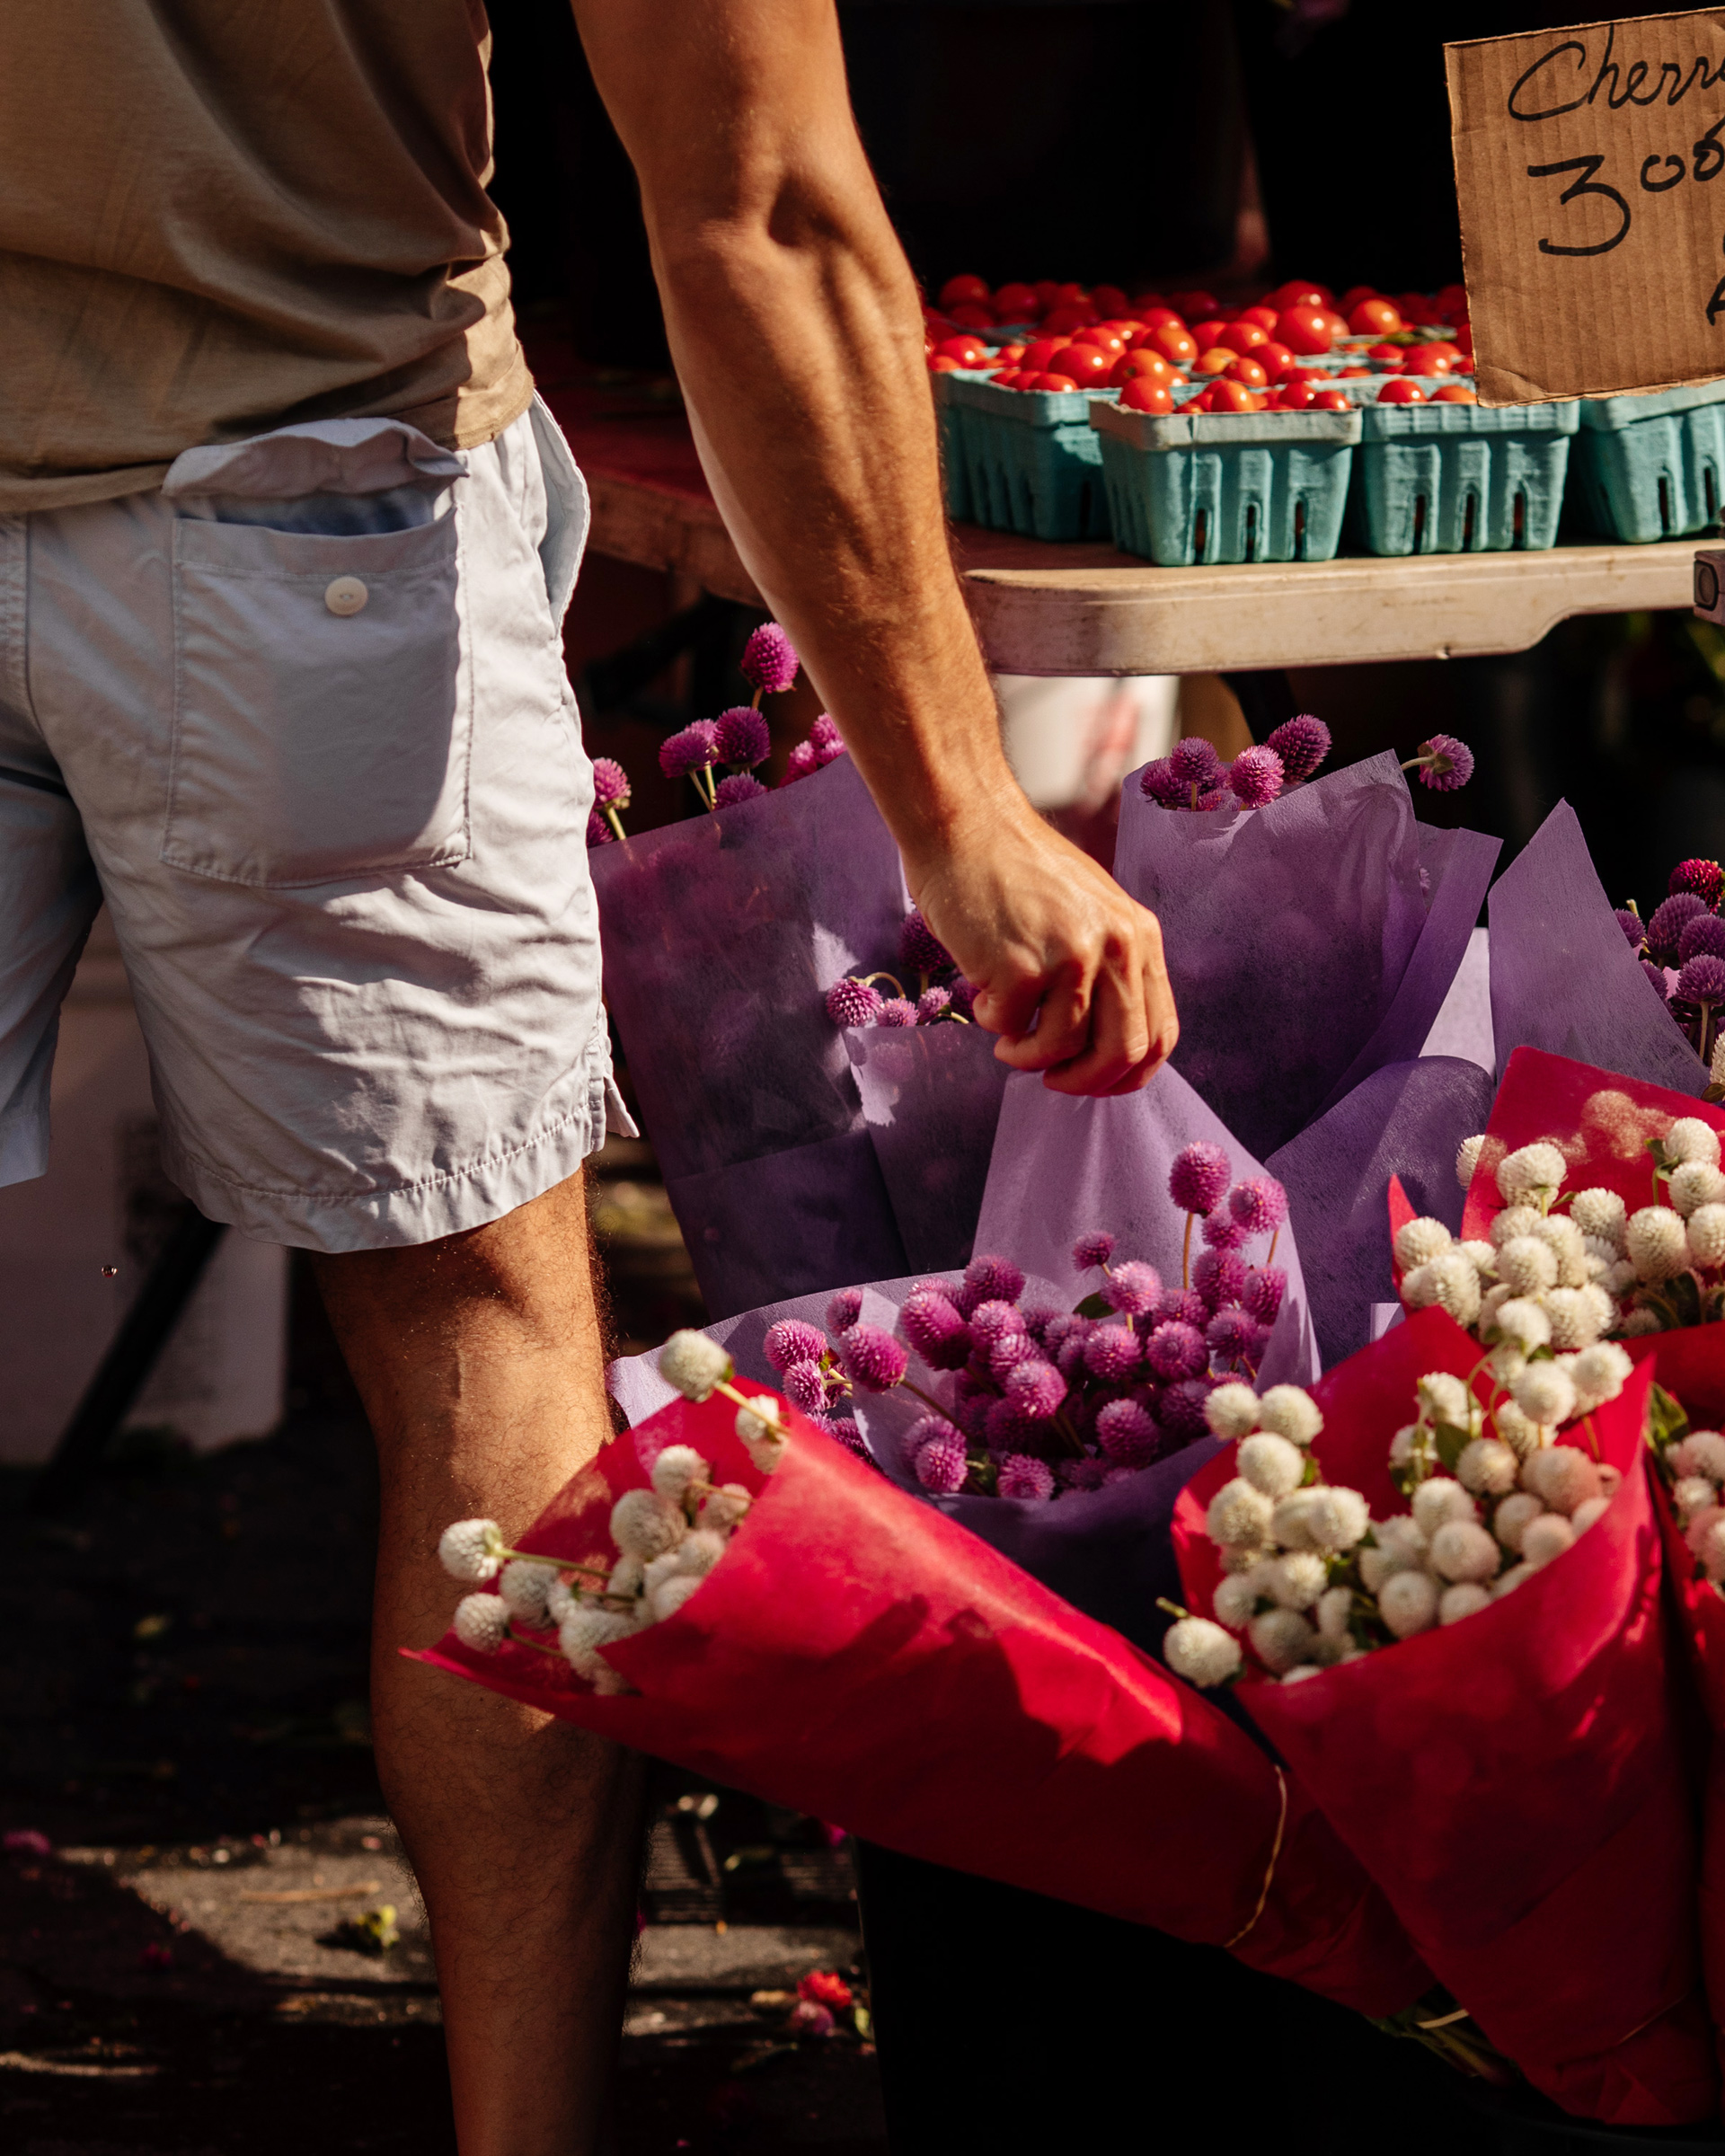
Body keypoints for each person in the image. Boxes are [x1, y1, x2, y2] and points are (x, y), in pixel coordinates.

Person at [0, 5, 1176, 2151]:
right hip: (298, 489)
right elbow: (770, 209)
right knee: (477, 1348)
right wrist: (957, 809)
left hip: (258, 485)